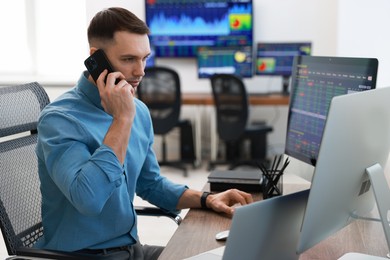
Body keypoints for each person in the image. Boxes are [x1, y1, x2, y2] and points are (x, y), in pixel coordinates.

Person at [35, 7, 253, 260]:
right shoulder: (60, 119)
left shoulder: (138, 110)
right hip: (83, 256)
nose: (141, 71)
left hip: (131, 251)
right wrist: (122, 119)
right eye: (128, 59)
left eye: (145, 58)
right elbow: (89, 199)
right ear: (96, 58)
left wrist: (206, 199)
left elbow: (150, 184)